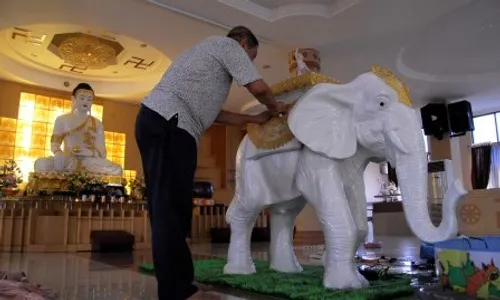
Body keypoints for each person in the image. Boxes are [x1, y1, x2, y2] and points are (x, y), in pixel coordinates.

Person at [135, 26, 286, 300]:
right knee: (169, 210)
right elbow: (259, 88)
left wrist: (255, 119)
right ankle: (178, 292)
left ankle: (182, 284)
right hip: (171, 121)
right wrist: (277, 108)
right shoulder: (226, 46)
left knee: (175, 211)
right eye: (250, 57)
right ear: (243, 44)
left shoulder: (208, 64)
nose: (247, 63)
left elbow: (217, 114)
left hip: (169, 123)